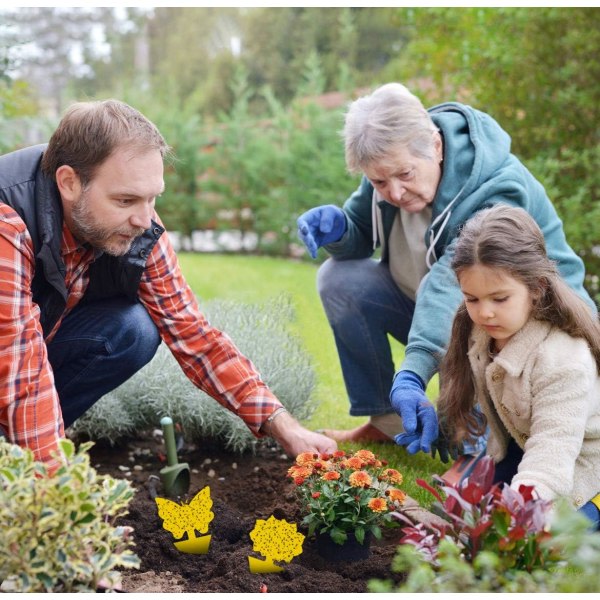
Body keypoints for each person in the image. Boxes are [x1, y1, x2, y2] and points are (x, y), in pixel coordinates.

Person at [0, 99, 336, 473]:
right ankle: (28, 463)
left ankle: (21, 452)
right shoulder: (8, 219)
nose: (145, 219)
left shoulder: (138, 224)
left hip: (20, 356)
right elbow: (18, 368)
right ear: (69, 182)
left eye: (152, 197)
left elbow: (195, 336)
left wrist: (282, 425)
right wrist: (55, 496)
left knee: (132, 330)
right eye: (125, 199)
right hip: (9, 356)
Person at [296, 82, 596, 457]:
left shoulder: (496, 185)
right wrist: (338, 228)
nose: (394, 192)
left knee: (481, 307)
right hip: (452, 311)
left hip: (533, 325)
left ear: (435, 146)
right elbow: (361, 232)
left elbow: (450, 286)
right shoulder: (391, 165)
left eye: (404, 175)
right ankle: (386, 423)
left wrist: (412, 374)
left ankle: (477, 448)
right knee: (339, 279)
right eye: (379, 181)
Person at [436, 204, 600, 528]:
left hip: (582, 461)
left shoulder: (564, 360)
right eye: (472, 299)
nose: (484, 314)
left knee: (547, 544)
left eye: (499, 299)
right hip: (523, 445)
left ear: (537, 288)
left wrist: (522, 515)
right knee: (464, 515)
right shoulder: (484, 332)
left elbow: (551, 453)